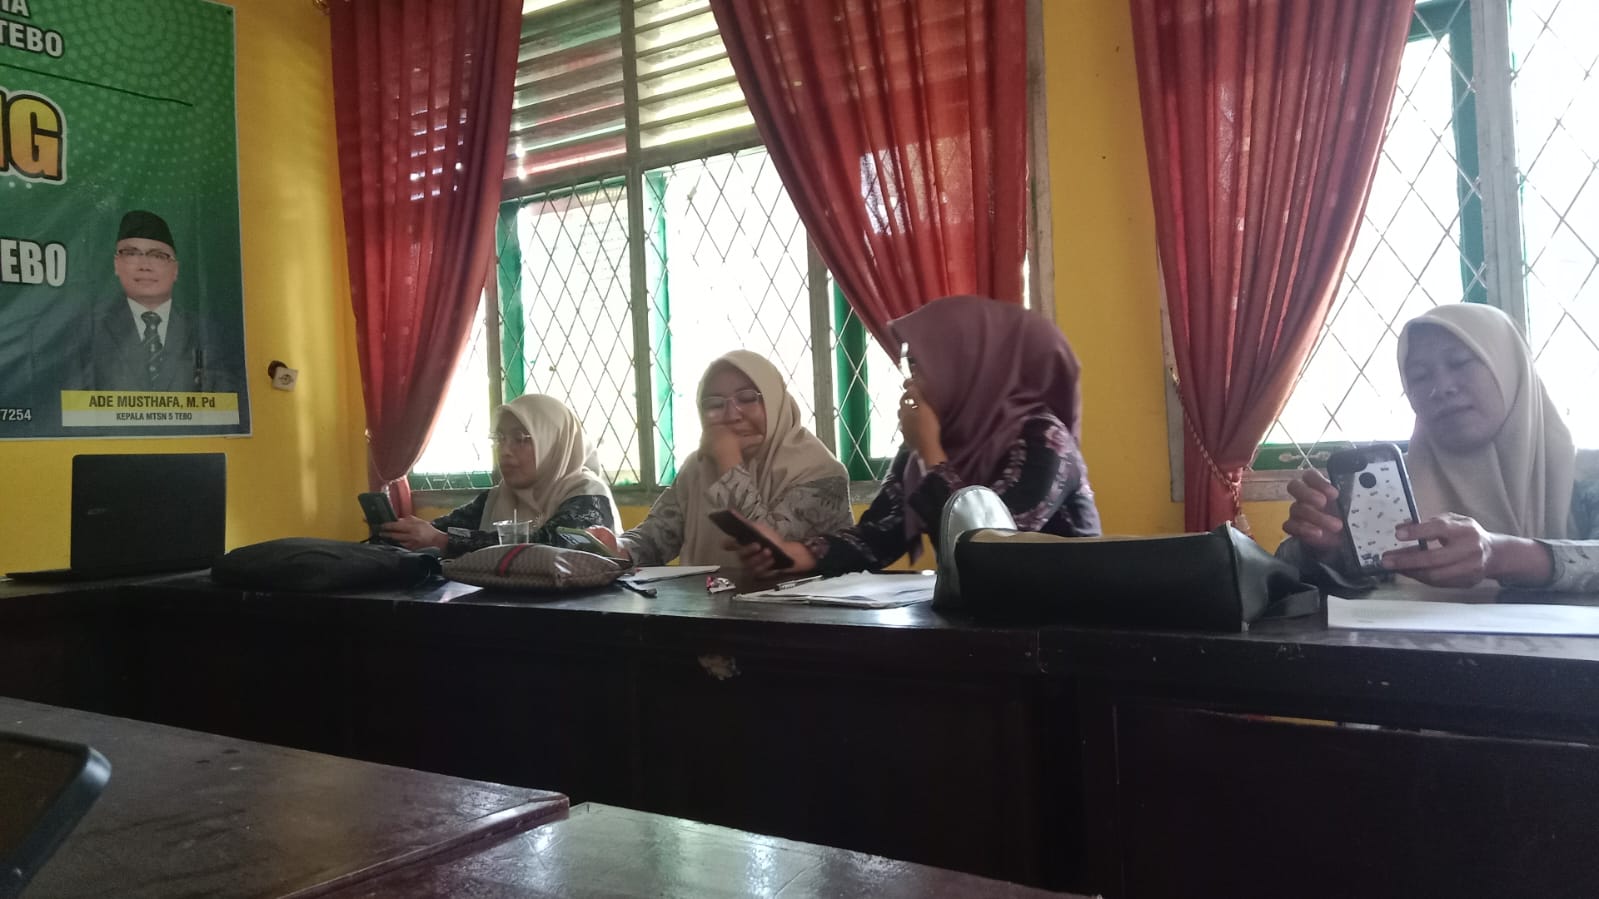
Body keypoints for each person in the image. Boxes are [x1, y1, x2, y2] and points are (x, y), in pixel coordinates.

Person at [731, 295, 1101, 578]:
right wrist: (795, 553)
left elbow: (993, 548)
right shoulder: (933, 438)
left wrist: (931, 454)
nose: (908, 382)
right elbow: (879, 535)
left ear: (961, 364)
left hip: (1068, 627)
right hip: (984, 622)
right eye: (907, 366)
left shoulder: (1045, 438)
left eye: (919, 365)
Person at [1281, 303, 1599, 591]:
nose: (1441, 388)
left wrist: (1500, 555)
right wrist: (1325, 550)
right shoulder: (1392, 489)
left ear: (1510, 369)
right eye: (1419, 377)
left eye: (1460, 363)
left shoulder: (1588, 476)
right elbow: (1288, 582)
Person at [596, 350, 852, 568]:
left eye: (748, 398)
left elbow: (771, 552)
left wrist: (729, 465)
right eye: (714, 404)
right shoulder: (698, 467)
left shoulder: (821, 471)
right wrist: (618, 547)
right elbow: (657, 537)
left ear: (775, 402)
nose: (732, 415)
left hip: (796, 610)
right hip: (705, 607)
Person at [381, 394, 620, 558]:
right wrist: (399, 532)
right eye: (499, 438)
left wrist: (443, 542)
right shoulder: (498, 497)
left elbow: (553, 547)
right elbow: (442, 529)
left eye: (520, 439)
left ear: (553, 444)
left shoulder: (588, 494)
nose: (504, 451)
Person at [67, 210, 238, 393]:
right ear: (116, 264)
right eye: (132, 254)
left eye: (158, 256)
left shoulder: (207, 332)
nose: (145, 266)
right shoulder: (88, 330)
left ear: (175, 269)